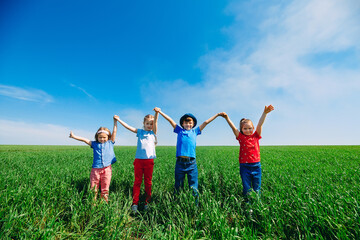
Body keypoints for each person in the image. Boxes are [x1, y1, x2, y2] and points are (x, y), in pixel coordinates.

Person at [154, 107, 222, 204]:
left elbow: (206, 122)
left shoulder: (195, 131)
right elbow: (170, 120)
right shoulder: (179, 131)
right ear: (182, 124)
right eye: (186, 122)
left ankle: (195, 205)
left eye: (190, 123)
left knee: (193, 186)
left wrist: (217, 115)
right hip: (180, 163)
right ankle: (177, 204)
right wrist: (160, 112)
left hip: (191, 164)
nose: (188, 124)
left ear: (193, 124)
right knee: (178, 185)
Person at [221, 105, 274, 201]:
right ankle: (247, 203)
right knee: (246, 188)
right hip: (244, 166)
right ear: (241, 130)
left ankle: (257, 203)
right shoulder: (241, 137)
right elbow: (233, 128)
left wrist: (265, 113)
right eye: (245, 129)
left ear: (253, 128)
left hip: (256, 166)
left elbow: (260, 124)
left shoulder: (256, 136)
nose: (248, 130)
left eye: (250, 128)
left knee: (257, 187)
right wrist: (227, 118)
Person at [114, 111, 158, 213]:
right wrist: (119, 120)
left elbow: (156, 122)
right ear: (144, 123)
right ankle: (135, 203)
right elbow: (128, 127)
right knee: (137, 182)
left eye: (151, 124)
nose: (149, 125)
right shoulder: (140, 132)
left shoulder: (153, 133)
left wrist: (157, 113)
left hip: (149, 161)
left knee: (148, 182)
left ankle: (147, 202)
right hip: (138, 161)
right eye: (147, 123)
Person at [69, 117, 118, 203]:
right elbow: (84, 140)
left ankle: (104, 202)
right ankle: (93, 202)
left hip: (107, 169)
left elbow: (114, 132)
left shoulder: (110, 142)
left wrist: (115, 122)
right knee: (93, 186)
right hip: (95, 169)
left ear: (108, 137)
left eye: (104, 137)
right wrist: (74, 136)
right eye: (100, 137)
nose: (102, 139)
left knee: (105, 187)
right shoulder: (94, 144)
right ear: (97, 137)